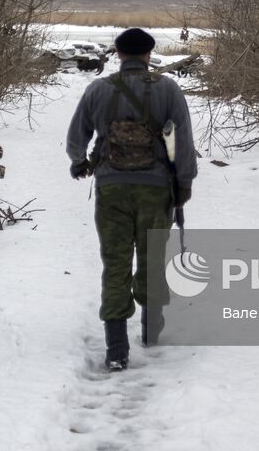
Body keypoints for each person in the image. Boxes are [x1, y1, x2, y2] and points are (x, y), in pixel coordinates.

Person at [66, 27, 196, 371]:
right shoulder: (167, 89)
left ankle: (116, 347)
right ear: (149, 55)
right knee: (152, 257)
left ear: (119, 54)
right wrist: (184, 184)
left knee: (116, 261)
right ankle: (151, 331)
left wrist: (79, 163)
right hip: (156, 189)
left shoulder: (98, 89)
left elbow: (75, 137)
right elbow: (182, 141)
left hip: (111, 188)